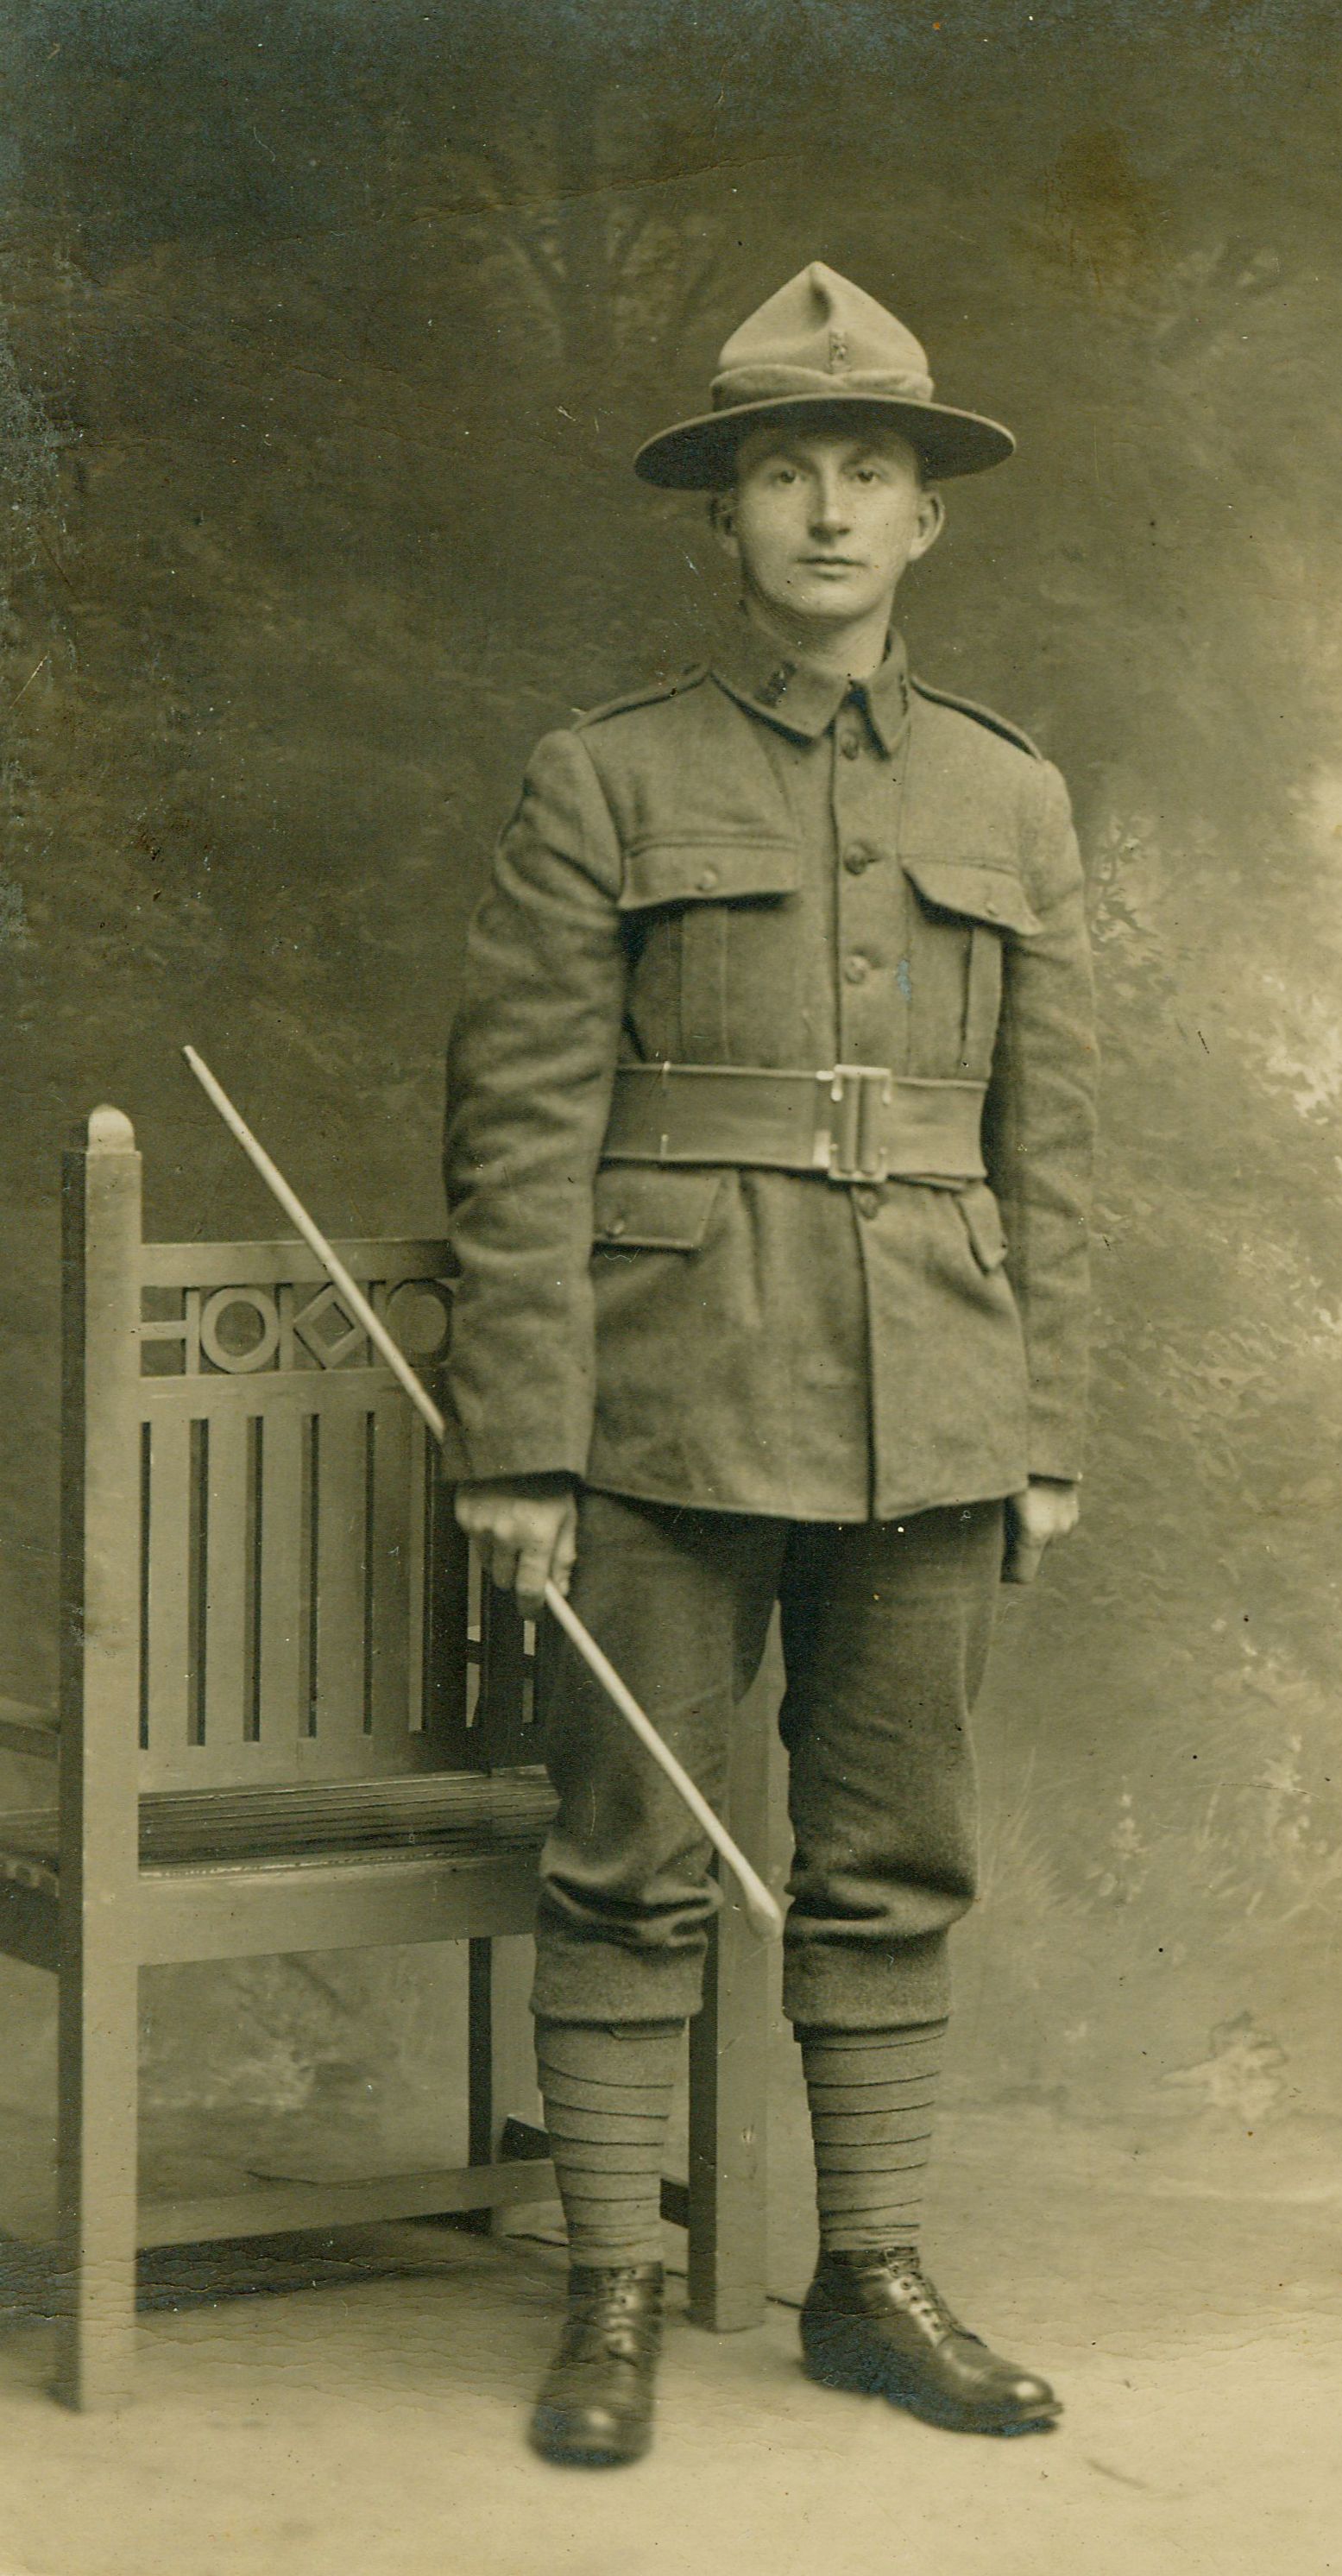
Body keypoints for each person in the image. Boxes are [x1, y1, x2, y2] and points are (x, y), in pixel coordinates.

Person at [444, 262, 1097, 2466]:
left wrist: (1047, 1423)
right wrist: (519, 1442)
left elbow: (1056, 1140)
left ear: (927, 522)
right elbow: (520, 1125)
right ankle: (614, 2278)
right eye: (780, 470)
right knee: (626, 1846)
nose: (825, 509)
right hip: (656, 1398)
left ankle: (869, 2273)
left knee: (894, 1850)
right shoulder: (601, 776)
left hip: (933, 1389)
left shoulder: (1013, 796)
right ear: (716, 519)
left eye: (871, 470)